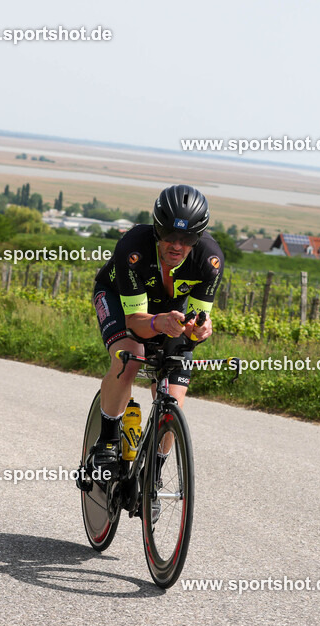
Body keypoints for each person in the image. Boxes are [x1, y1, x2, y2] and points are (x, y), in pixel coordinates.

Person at [82, 185, 224, 515]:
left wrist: (200, 329)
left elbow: (200, 321)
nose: (177, 246)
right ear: (157, 229)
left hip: (167, 314)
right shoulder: (134, 247)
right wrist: (161, 323)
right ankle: (107, 440)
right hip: (120, 302)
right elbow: (135, 322)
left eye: (187, 240)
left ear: (199, 237)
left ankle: (153, 476)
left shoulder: (209, 260)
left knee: (174, 396)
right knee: (130, 358)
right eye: (169, 236)